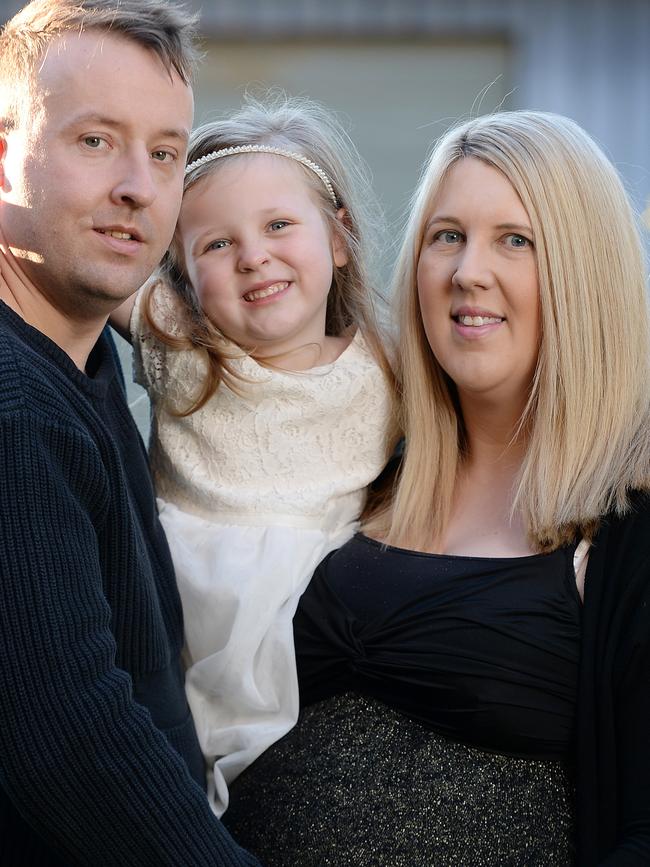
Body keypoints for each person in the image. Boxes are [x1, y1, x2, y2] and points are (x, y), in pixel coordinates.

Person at [222, 111, 650, 866]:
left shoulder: (625, 526)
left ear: (585, 273)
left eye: (515, 239)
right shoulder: (361, 468)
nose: (467, 271)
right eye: (446, 235)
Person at [0, 0, 261, 863]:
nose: (137, 187)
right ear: (5, 151)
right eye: (95, 140)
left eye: (164, 152)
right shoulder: (16, 407)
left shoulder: (82, 368)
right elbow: (72, 739)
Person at [110, 93, 398, 816]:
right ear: (182, 272)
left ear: (339, 236)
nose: (254, 256)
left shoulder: (389, 368)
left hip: (323, 633)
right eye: (216, 244)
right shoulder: (182, 345)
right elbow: (62, 258)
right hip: (186, 628)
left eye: (278, 225)